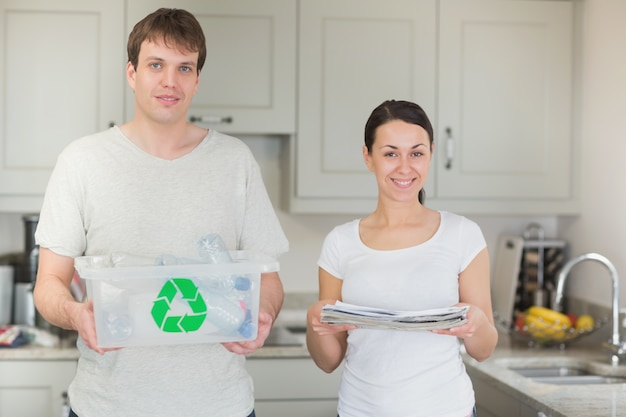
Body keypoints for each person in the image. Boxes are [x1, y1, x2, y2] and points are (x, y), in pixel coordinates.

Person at [32, 8, 288, 417]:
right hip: (108, 406)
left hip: (219, 406)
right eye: (156, 65)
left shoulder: (234, 162)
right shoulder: (82, 161)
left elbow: (268, 279)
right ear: (132, 73)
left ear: (197, 80)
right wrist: (77, 314)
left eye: (184, 67)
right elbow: (48, 284)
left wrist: (265, 315)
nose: (170, 81)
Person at [306, 100, 498, 417]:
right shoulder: (340, 242)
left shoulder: (463, 234)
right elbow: (328, 361)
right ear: (368, 157)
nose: (405, 167)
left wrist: (476, 323)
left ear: (431, 154)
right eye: (391, 153)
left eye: (416, 153)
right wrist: (315, 323)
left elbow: (485, 349)